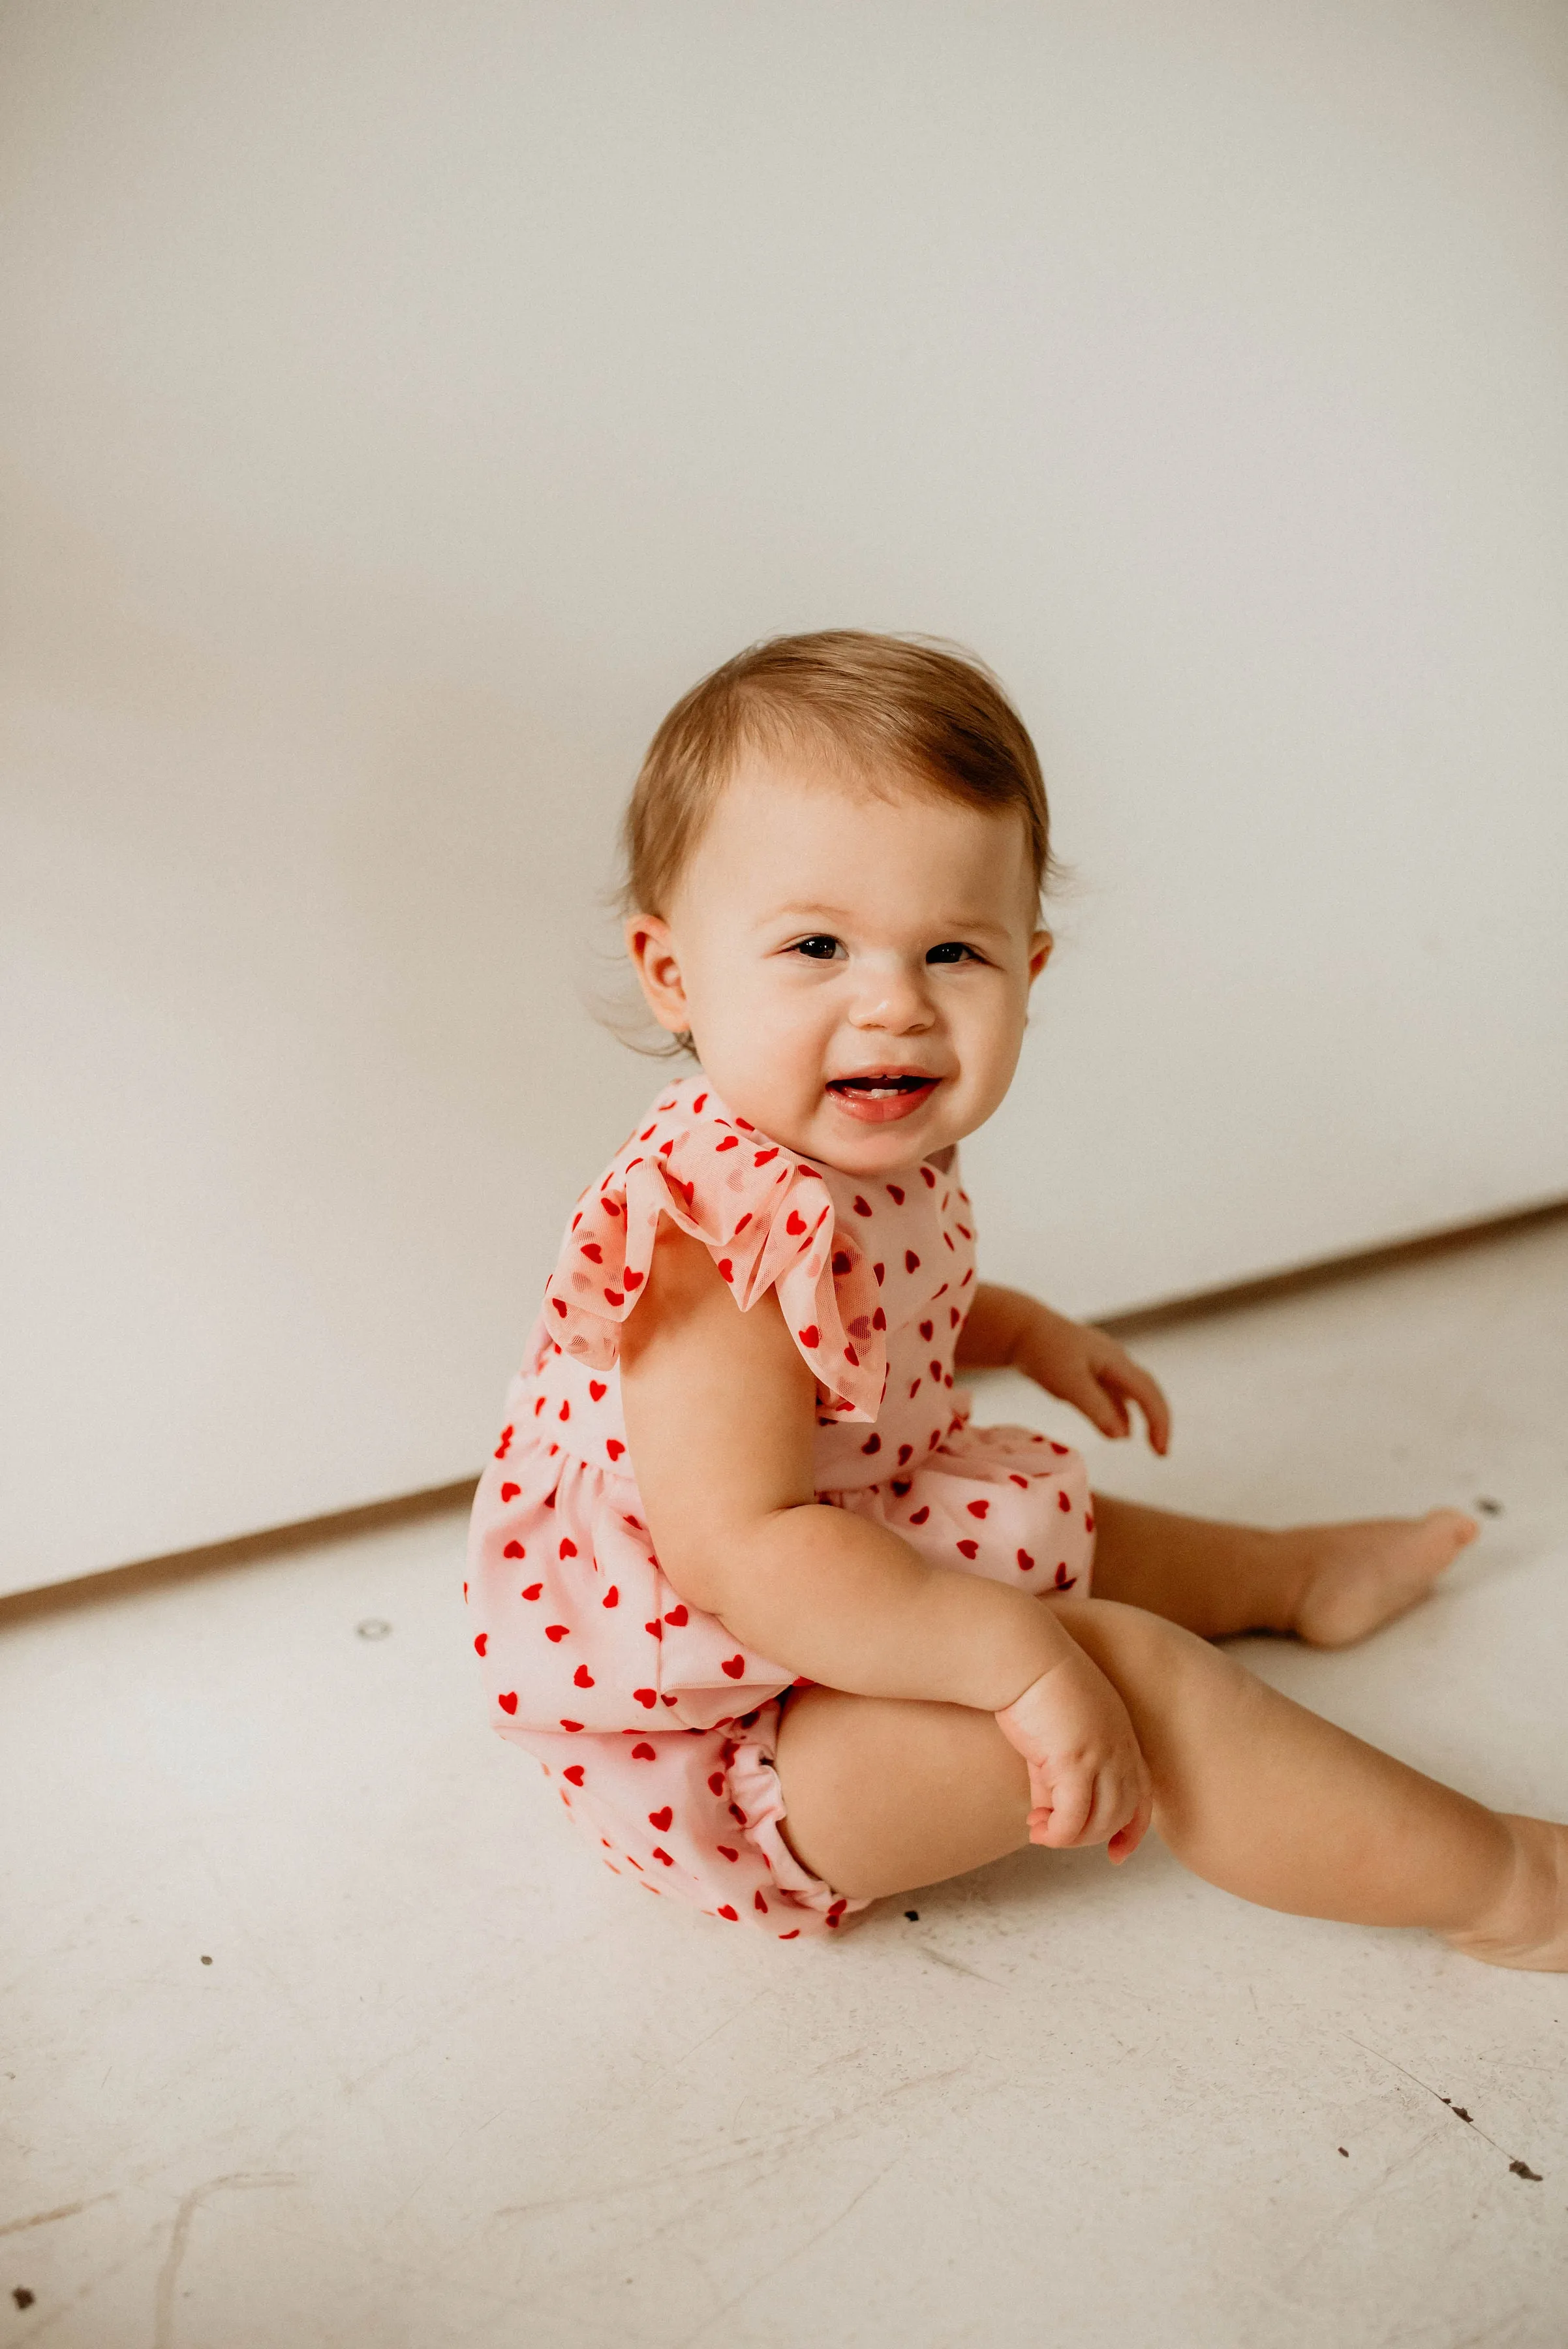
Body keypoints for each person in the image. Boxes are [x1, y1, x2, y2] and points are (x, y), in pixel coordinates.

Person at [467, 630, 1566, 1961]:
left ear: (1026, 975)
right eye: (817, 945)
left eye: (951, 955)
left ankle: (1293, 1579)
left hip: (836, 1570)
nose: (894, 1009)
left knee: (1074, 1526)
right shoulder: (713, 1239)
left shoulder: (853, 1135)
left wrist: (1021, 1330)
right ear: (672, 974)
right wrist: (1020, 1664)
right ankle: (1505, 1888)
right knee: (1125, 1674)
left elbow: (861, 1335)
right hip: (739, 1740)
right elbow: (742, 1551)